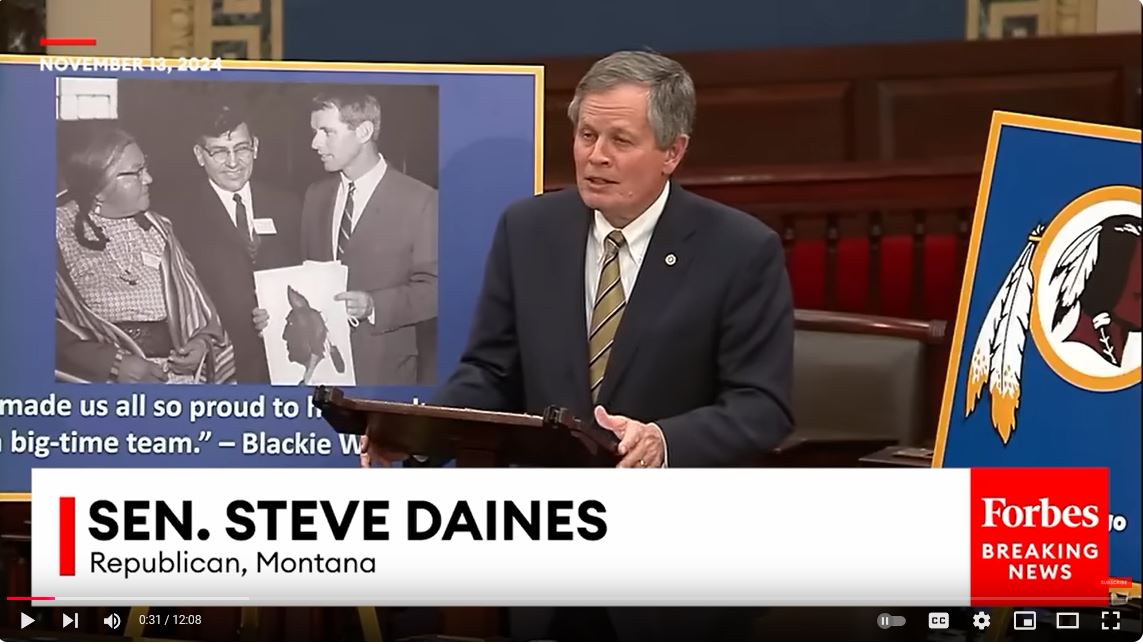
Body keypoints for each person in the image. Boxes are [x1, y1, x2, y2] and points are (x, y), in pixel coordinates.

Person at [364, 50, 794, 640]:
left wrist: (664, 440)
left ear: (672, 151)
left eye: (621, 139)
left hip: (673, 558)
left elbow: (762, 405)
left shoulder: (740, 250)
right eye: (587, 134)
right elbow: (491, 369)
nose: (596, 155)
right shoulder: (529, 230)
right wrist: (418, 435)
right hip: (543, 543)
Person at [255, 90, 438, 385]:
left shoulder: (421, 200)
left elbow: (435, 290)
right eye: (315, 133)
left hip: (384, 376)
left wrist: (374, 305)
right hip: (318, 375)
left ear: (364, 131)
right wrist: (275, 313)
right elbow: (306, 280)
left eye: (327, 132)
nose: (315, 143)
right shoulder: (316, 195)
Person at [55, 123, 235, 384]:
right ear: (98, 187)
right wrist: (112, 364)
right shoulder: (54, 232)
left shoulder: (160, 229)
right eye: (136, 172)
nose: (149, 179)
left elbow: (197, 309)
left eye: (146, 167)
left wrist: (201, 344)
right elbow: (30, 325)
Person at [163, 104, 301, 383]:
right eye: (218, 152)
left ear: (256, 147)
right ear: (199, 156)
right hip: (222, 367)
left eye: (242, 148)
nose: (233, 162)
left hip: (289, 361)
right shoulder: (177, 217)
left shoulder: (290, 205)